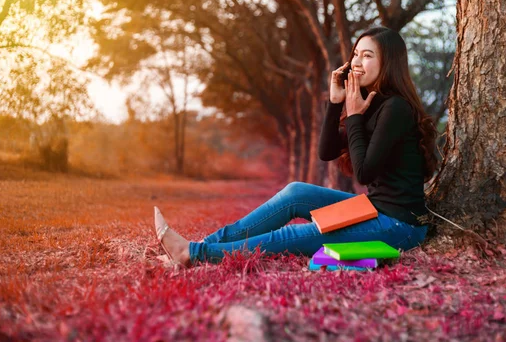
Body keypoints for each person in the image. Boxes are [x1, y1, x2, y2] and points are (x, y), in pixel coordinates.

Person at [154, 26, 438, 267]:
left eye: (368, 55)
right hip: (374, 209)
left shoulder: (396, 108)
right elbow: (326, 152)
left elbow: (363, 173)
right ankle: (203, 244)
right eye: (355, 54)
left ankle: (193, 254)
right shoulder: (368, 105)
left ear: (388, 62)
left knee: (292, 237)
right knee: (295, 193)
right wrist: (335, 103)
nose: (357, 62)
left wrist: (353, 116)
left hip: (400, 227)